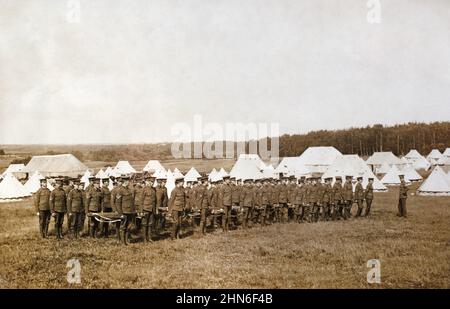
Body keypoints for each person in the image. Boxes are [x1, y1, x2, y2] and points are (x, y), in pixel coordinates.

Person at [116, 176, 136, 244]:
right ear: (125, 181)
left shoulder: (128, 189)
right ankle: (123, 241)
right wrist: (120, 213)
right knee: (123, 227)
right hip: (124, 211)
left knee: (129, 226)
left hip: (130, 211)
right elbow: (118, 203)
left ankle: (127, 240)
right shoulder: (120, 190)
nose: (129, 182)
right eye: (128, 181)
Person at [140, 176, 157, 242]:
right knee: (144, 224)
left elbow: (154, 201)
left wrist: (155, 209)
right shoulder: (144, 189)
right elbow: (141, 201)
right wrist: (141, 211)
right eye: (151, 182)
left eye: (153, 182)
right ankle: (144, 238)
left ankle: (149, 238)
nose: (152, 183)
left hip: (152, 209)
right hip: (145, 209)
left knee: (150, 224)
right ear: (147, 182)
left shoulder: (154, 189)